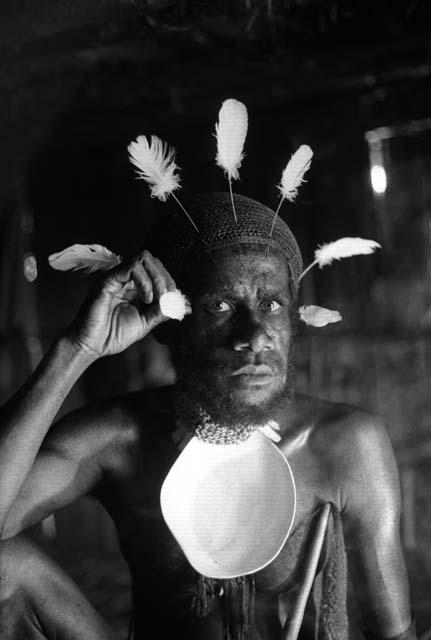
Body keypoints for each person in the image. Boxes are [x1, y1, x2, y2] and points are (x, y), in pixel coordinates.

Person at [0, 193, 415, 640]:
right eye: (220, 306)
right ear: (172, 323)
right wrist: (77, 349)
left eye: (271, 304)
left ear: (293, 320)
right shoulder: (118, 439)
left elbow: (394, 633)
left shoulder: (346, 444)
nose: (254, 336)